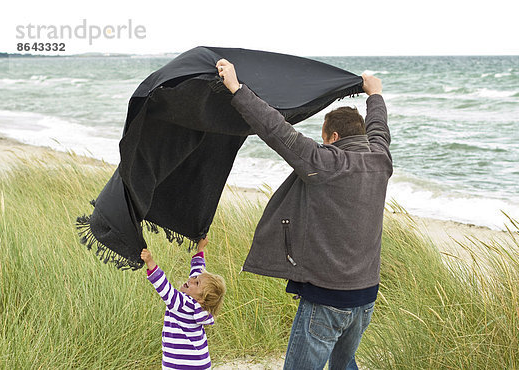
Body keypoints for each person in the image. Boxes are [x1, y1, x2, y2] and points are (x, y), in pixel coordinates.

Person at [216, 59, 392, 369]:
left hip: (328, 299)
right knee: (345, 364)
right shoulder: (381, 158)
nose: (323, 144)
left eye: (324, 139)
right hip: (366, 297)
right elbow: (379, 128)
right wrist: (374, 94)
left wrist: (235, 88)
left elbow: (277, 131)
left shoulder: (324, 162)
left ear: (333, 138)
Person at [141, 238, 226, 370]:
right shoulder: (200, 306)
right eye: (195, 279)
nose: (191, 279)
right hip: (200, 363)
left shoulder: (184, 304)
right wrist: (200, 249)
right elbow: (198, 271)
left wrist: (150, 262)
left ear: (201, 299)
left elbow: (165, 288)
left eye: (196, 283)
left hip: (180, 365)